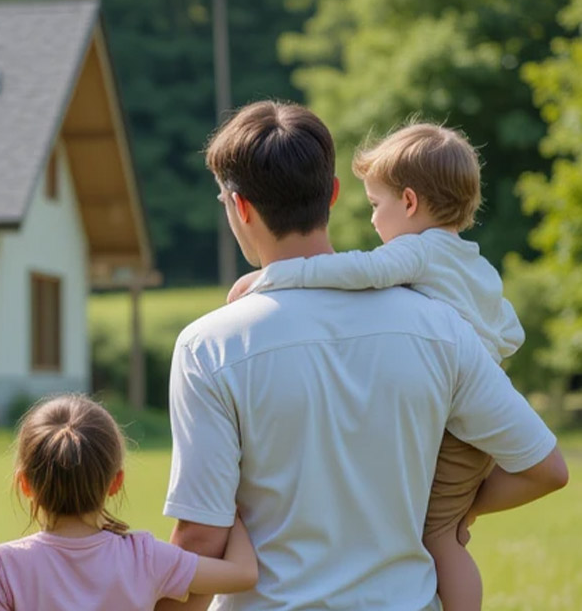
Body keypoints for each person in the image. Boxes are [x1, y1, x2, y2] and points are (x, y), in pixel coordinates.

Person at [156, 101, 568, 611]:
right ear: (332, 193)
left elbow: (201, 537)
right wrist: (449, 514)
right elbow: (546, 469)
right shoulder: (441, 326)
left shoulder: (209, 347)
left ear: (239, 207)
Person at [224, 122, 522, 610]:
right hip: (477, 408)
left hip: (457, 417)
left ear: (408, 202)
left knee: (440, 536)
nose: (374, 221)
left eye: (376, 205)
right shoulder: (474, 263)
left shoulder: (416, 252)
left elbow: (358, 270)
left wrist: (276, 277)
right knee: (441, 527)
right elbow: (510, 329)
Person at [0, 394, 257, 611]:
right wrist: (228, 501)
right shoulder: (144, 557)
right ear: (116, 482)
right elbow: (243, 574)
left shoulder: (3, 566)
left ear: (24, 484)